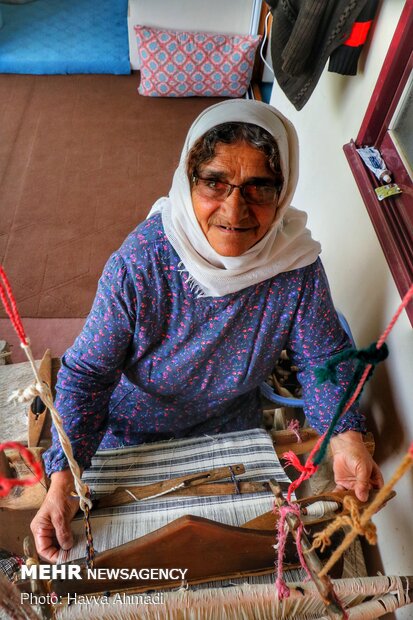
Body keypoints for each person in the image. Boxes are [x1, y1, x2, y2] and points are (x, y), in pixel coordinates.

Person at [31, 99, 383, 562]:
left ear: (284, 192)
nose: (235, 210)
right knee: (127, 563)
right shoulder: (141, 265)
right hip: (131, 433)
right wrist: (63, 480)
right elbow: (87, 376)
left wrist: (346, 439)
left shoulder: (294, 267)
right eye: (215, 182)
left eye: (260, 188)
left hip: (228, 434)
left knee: (238, 556)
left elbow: (322, 360)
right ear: (187, 180)